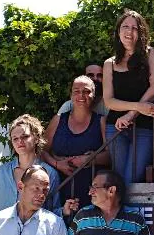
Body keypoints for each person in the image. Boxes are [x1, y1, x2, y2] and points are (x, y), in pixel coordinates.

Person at [103, 10, 154, 183]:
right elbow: (109, 101)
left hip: (144, 126)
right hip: (115, 127)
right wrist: (138, 107)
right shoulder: (109, 63)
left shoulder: (150, 54)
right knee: (119, 179)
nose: (129, 32)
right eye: (125, 27)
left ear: (141, 32)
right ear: (118, 31)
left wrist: (130, 115)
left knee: (132, 179)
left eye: (134, 28)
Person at [43, 75, 109, 208]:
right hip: (59, 188)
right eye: (76, 91)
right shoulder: (58, 120)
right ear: (71, 95)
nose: (81, 95)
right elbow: (41, 150)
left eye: (86, 91)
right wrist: (57, 164)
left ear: (93, 95)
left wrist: (90, 159)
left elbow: (111, 156)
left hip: (91, 191)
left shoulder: (101, 121)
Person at [0, 114, 62, 217]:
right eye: (15, 139)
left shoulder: (49, 173)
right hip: (2, 231)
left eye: (25, 136)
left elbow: (54, 213)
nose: (20, 142)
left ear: (36, 138)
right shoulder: (1, 172)